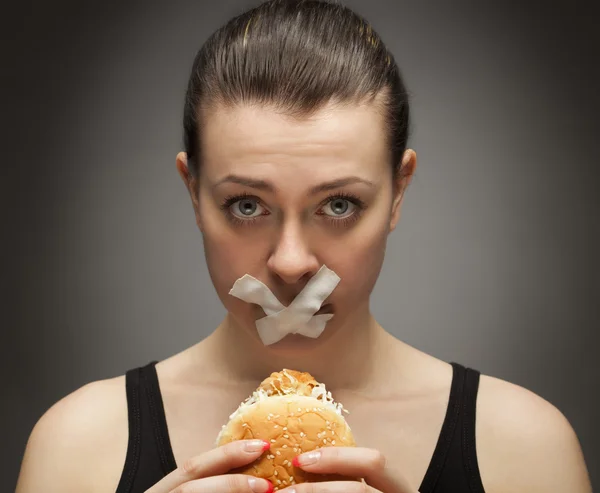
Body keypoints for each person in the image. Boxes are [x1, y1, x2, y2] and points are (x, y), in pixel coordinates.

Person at [16, 1, 592, 492]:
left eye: (339, 205)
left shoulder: (523, 449)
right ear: (194, 193)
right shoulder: (79, 448)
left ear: (398, 193)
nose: (291, 263)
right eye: (247, 205)